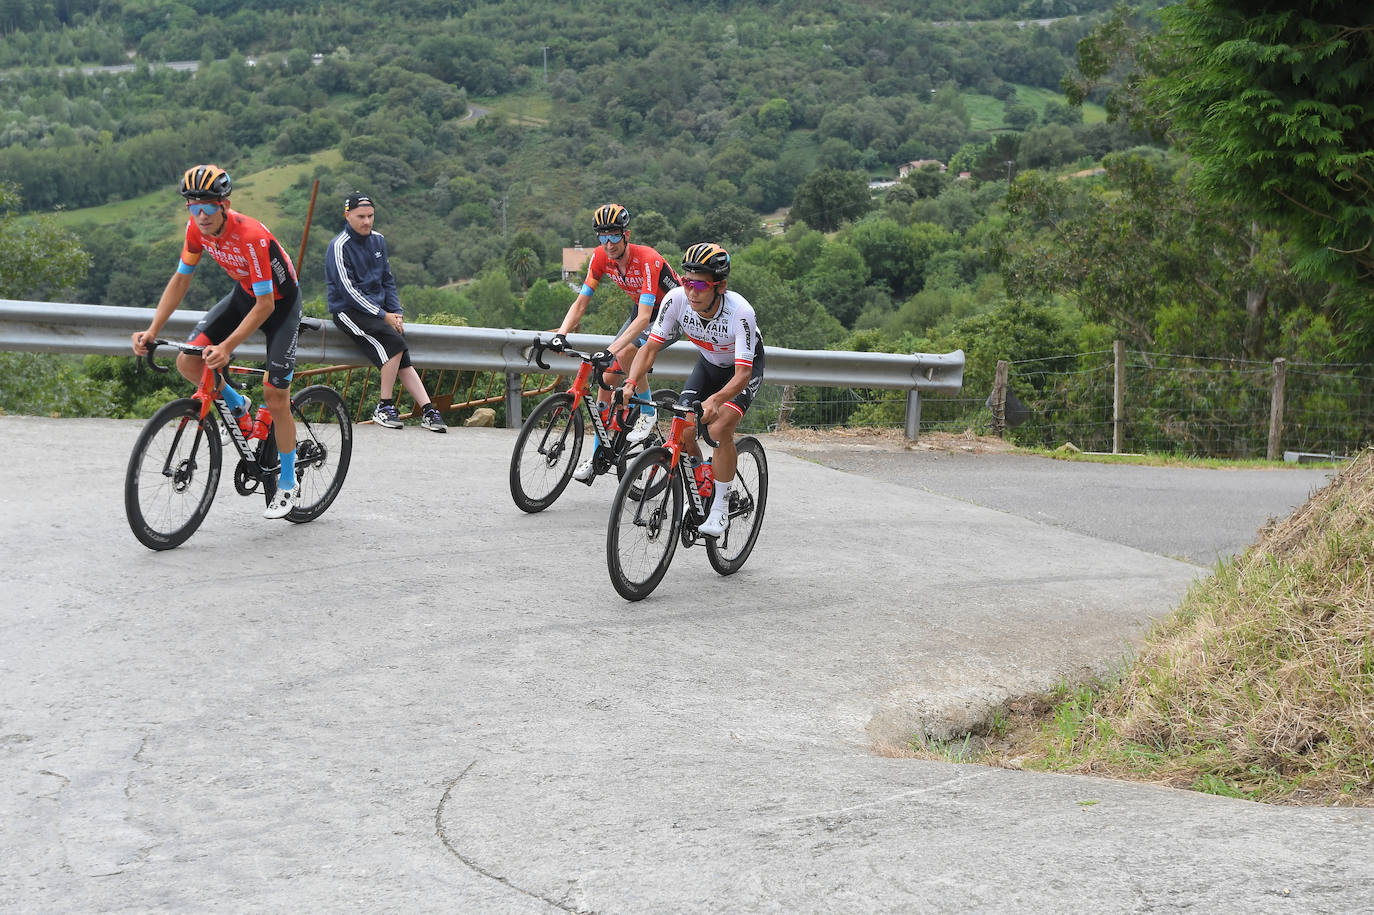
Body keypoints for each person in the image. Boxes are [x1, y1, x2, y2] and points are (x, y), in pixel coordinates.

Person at [131, 164, 305, 520]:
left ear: (225, 204)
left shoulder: (251, 236)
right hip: (245, 295)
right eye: (194, 207)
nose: (201, 215)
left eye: (208, 206)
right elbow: (181, 279)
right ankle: (237, 403)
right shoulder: (196, 231)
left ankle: (288, 481)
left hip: (280, 305)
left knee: (276, 397)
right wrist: (152, 329)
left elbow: (266, 305)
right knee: (188, 361)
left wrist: (226, 348)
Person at [619, 243, 764, 538]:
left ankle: (721, 508)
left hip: (740, 371)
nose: (691, 291)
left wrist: (715, 400)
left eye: (700, 284)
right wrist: (632, 382)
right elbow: (649, 349)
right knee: (684, 429)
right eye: (687, 281)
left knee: (718, 428)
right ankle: (702, 479)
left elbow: (742, 374)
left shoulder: (740, 313)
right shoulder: (676, 300)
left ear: (719, 286)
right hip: (709, 363)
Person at [546, 203, 679, 483]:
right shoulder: (599, 258)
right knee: (606, 377)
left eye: (614, 236)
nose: (608, 243)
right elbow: (582, 301)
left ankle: (646, 411)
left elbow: (644, 319)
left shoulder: (646, 259)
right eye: (602, 237)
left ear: (626, 234)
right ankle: (599, 457)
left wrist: (611, 349)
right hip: (643, 309)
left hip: (671, 313)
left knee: (629, 353)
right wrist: (562, 333)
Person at [324, 193, 446, 433]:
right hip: (348, 311)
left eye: (370, 216)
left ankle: (428, 410)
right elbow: (348, 291)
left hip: (378, 311)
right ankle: (384, 406)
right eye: (361, 216)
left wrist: (396, 312)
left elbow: (387, 280)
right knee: (395, 345)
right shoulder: (338, 246)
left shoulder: (378, 240)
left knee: (402, 355)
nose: (367, 221)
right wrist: (383, 315)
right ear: (347, 215)